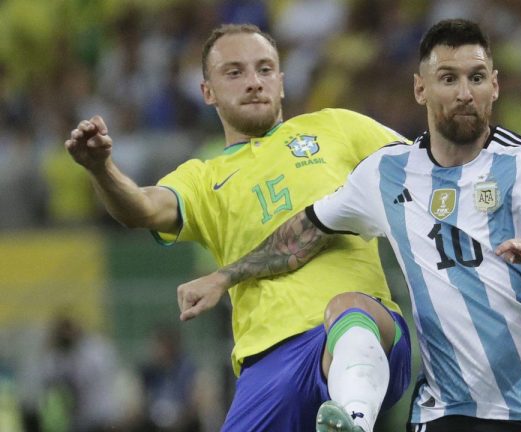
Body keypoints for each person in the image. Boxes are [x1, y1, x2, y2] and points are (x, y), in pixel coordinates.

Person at [178, 19, 521, 432]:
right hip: (450, 410)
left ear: (494, 86)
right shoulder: (385, 173)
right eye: (448, 79)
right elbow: (298, 238)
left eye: (476, 78)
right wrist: (224, 277)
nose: (464, 93)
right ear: (420, 88)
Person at [64, 24, 412, 432]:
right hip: (266, 363)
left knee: (349, 309)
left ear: (281, 82)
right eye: (234, 72)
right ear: (207, 91)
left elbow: (426, 171)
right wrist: (101, 169)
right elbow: (139, 208)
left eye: (265, 69)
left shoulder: (337, 127)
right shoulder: (203, 177)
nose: (254, 82)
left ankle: (355, 418)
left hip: (362, 332)